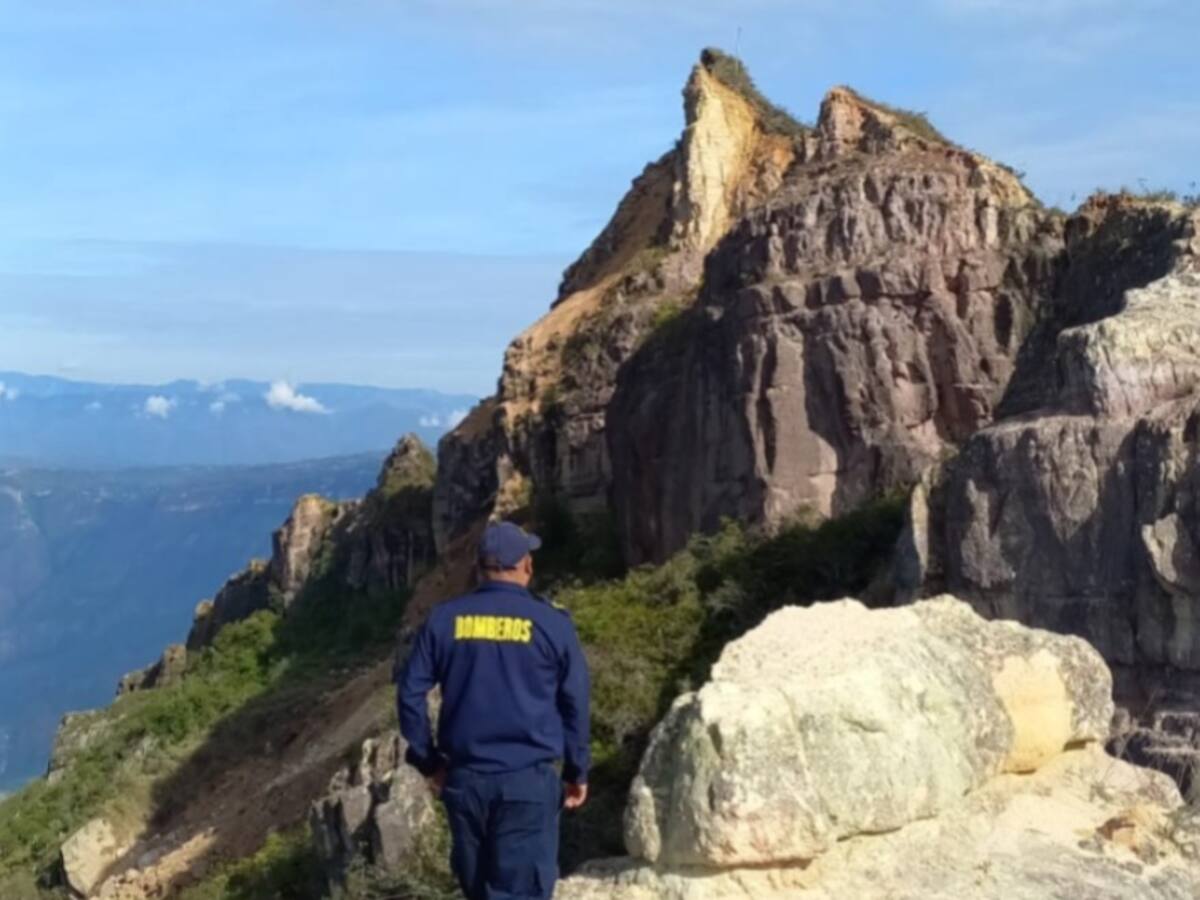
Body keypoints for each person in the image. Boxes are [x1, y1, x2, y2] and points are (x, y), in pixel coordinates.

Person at [397, 520, 591, 900]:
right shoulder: (551, 623)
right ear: (526, 566)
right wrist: (576, 770)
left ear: (479, 567)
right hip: (527, 782)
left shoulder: (444, 620)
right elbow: (575, 703)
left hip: (466, 781)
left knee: (478, 889)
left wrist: (429, 762)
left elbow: (409, 695)